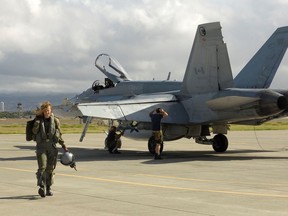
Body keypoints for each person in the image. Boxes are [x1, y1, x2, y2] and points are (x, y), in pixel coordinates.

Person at [32, 101, 68, 197]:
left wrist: (63, 145)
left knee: (50, 168)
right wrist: (36, 123)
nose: (47, 112)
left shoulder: (55, 121)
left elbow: (59, 134)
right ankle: (41, 186)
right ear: (43, 111)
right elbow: (34, 132)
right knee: (42, 167)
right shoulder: (38, 120)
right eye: (45, 110)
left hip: (52, 147)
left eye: (48, 110)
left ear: (50, 110)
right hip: (41, 146)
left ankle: (48, 187)